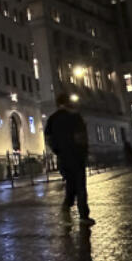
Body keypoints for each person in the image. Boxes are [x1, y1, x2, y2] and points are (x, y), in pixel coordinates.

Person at [46, 92, 94, 225]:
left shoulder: (52, 118)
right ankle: (83, 215)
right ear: (68, 102)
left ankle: (67, 207)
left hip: (63, 157)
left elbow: (49, 138)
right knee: (80, 186)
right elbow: (81, 137)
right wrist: (84, 152)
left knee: (71, 183)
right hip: (76, 155)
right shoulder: (75, 117)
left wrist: (57, 151)